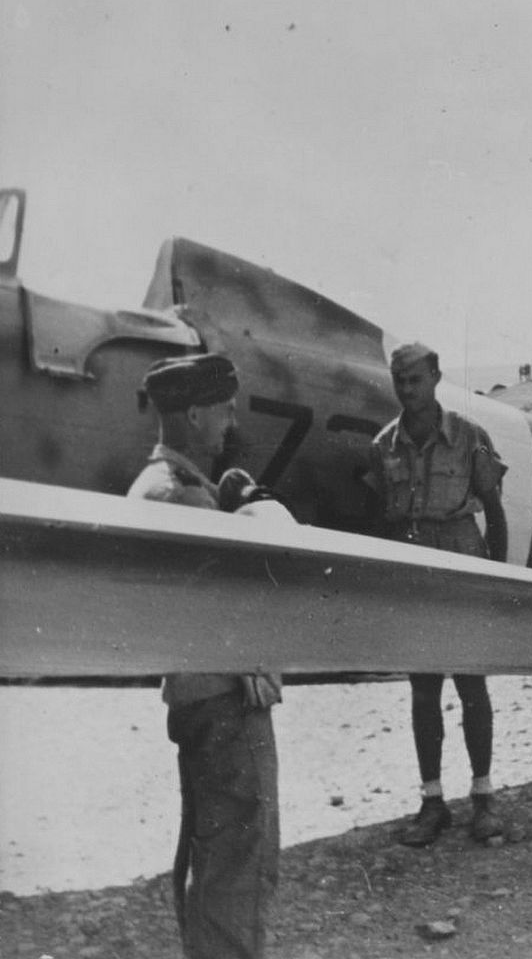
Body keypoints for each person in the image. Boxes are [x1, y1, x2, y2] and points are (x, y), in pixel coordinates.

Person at [128, 353, 281, 959]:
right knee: (239, 865)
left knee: (209, 856)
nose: (230, 423)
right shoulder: (183, 497)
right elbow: (237, 606)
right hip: (226, 702)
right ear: (194, 413)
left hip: (196, 697)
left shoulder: (156, 485)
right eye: (223, 410)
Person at [366, 342, 509, 848]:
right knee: (424, 692)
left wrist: (498, 580)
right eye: (400, 381)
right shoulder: (384, 446)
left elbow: (494, 510)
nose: (408, 390)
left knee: (472, 687)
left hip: (462, 563)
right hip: (414, 571)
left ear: (436, 378)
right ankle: (432, 803)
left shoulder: (470, 437)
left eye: (416, 380)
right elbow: (379, 519)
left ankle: (484, 798)